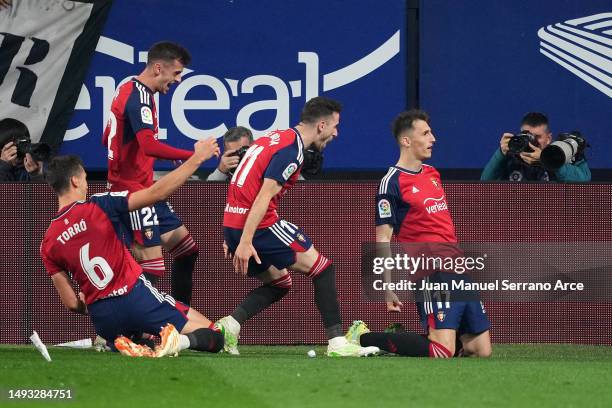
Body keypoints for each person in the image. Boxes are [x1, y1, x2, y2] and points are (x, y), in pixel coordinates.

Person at [216, 96, 379, 357]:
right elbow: (263, 196)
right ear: (322, 125)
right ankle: (338, 343)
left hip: (234, 222)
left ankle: (230, 325)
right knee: (323, 268)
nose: (337, 133)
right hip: (258, 227)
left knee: (279, 282)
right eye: (336, 126)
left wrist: (233, 233)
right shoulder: (292, 150)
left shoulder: (275, 137)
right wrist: (245, 241)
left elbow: (241, 183)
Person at [40, 139, 223, 358]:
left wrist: (88, 302)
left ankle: (127, 340)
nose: (88, 185)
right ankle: (178, 341)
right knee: (215, 335)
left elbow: (72, 303)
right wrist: (198, 158)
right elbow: (156, 193)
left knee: (137, 334)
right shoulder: (100, 204)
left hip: (103, 318)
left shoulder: (48, 242)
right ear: (75, 180)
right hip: (136, 298)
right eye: (86, 179)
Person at [346, 109, 492, 358]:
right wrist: (387, 287)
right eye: (425, 133)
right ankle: (361, 337)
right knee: (441, 351)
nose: (433, 138)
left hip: (458, 269)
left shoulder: (432, 174)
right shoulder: (391, 182)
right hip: (431, 272)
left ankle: (406, 337)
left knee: (480, 350)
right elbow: (383, 239)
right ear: (406, 141)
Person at [102, 41, 200, 305]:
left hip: (144, 190)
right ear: (158, 68)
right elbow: (148, 145)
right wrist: (192, 155)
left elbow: (108, 139)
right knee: (152, 268)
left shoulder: (126, 88)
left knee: (187, 250)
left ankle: (179, 321)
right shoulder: (140, 98)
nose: (177, 80)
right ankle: (123, 331)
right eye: (176, 73)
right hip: (134, 193)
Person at [480, 112, 591, 182]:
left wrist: (548, 161)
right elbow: (485, 183)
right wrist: (500, 154)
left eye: (537, 137)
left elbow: (584, 182)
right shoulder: (511, 156)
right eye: (527, 136)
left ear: (548, 138)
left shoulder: (561, 154)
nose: (532, 141)